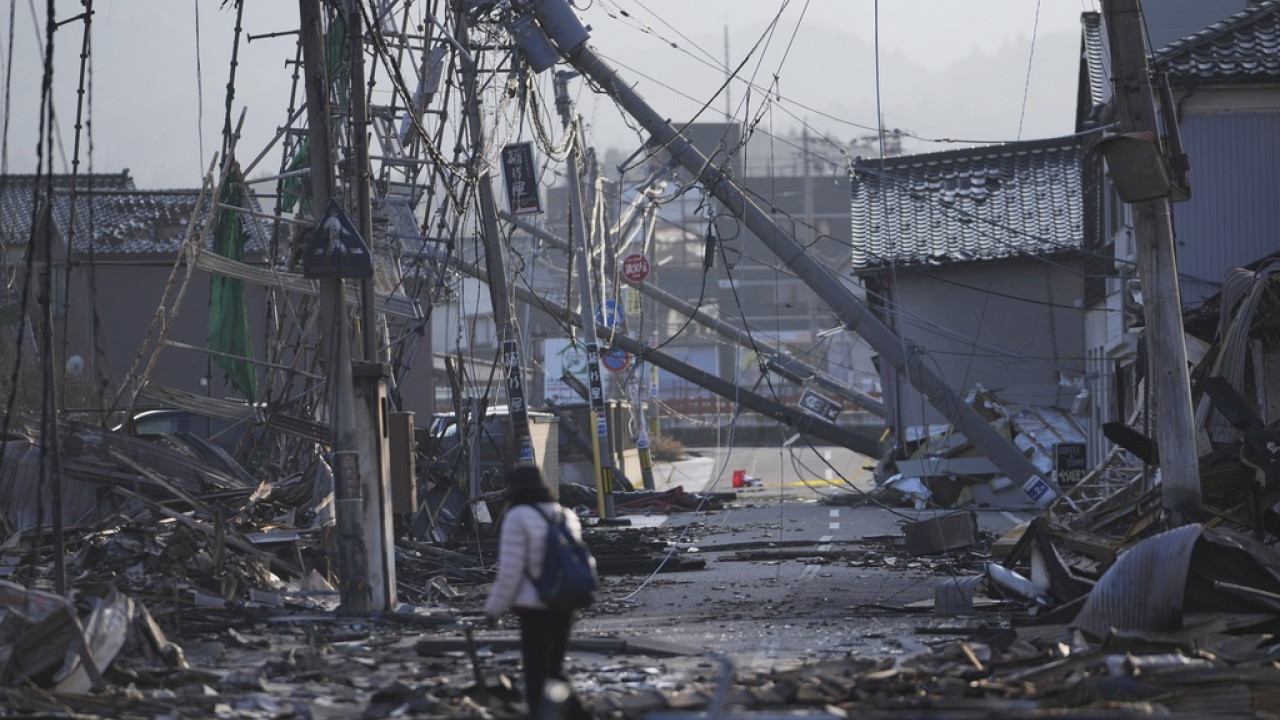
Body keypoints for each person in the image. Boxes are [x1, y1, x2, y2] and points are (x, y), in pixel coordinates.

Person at [483, 466, 592, 720]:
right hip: (566, 601)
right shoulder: (565, 514)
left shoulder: (517, 516)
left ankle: (541, 715)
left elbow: (510, 572)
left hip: (535, 607)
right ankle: (580, 715)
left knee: (535, 673)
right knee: (555, 668)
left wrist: (492, 609)